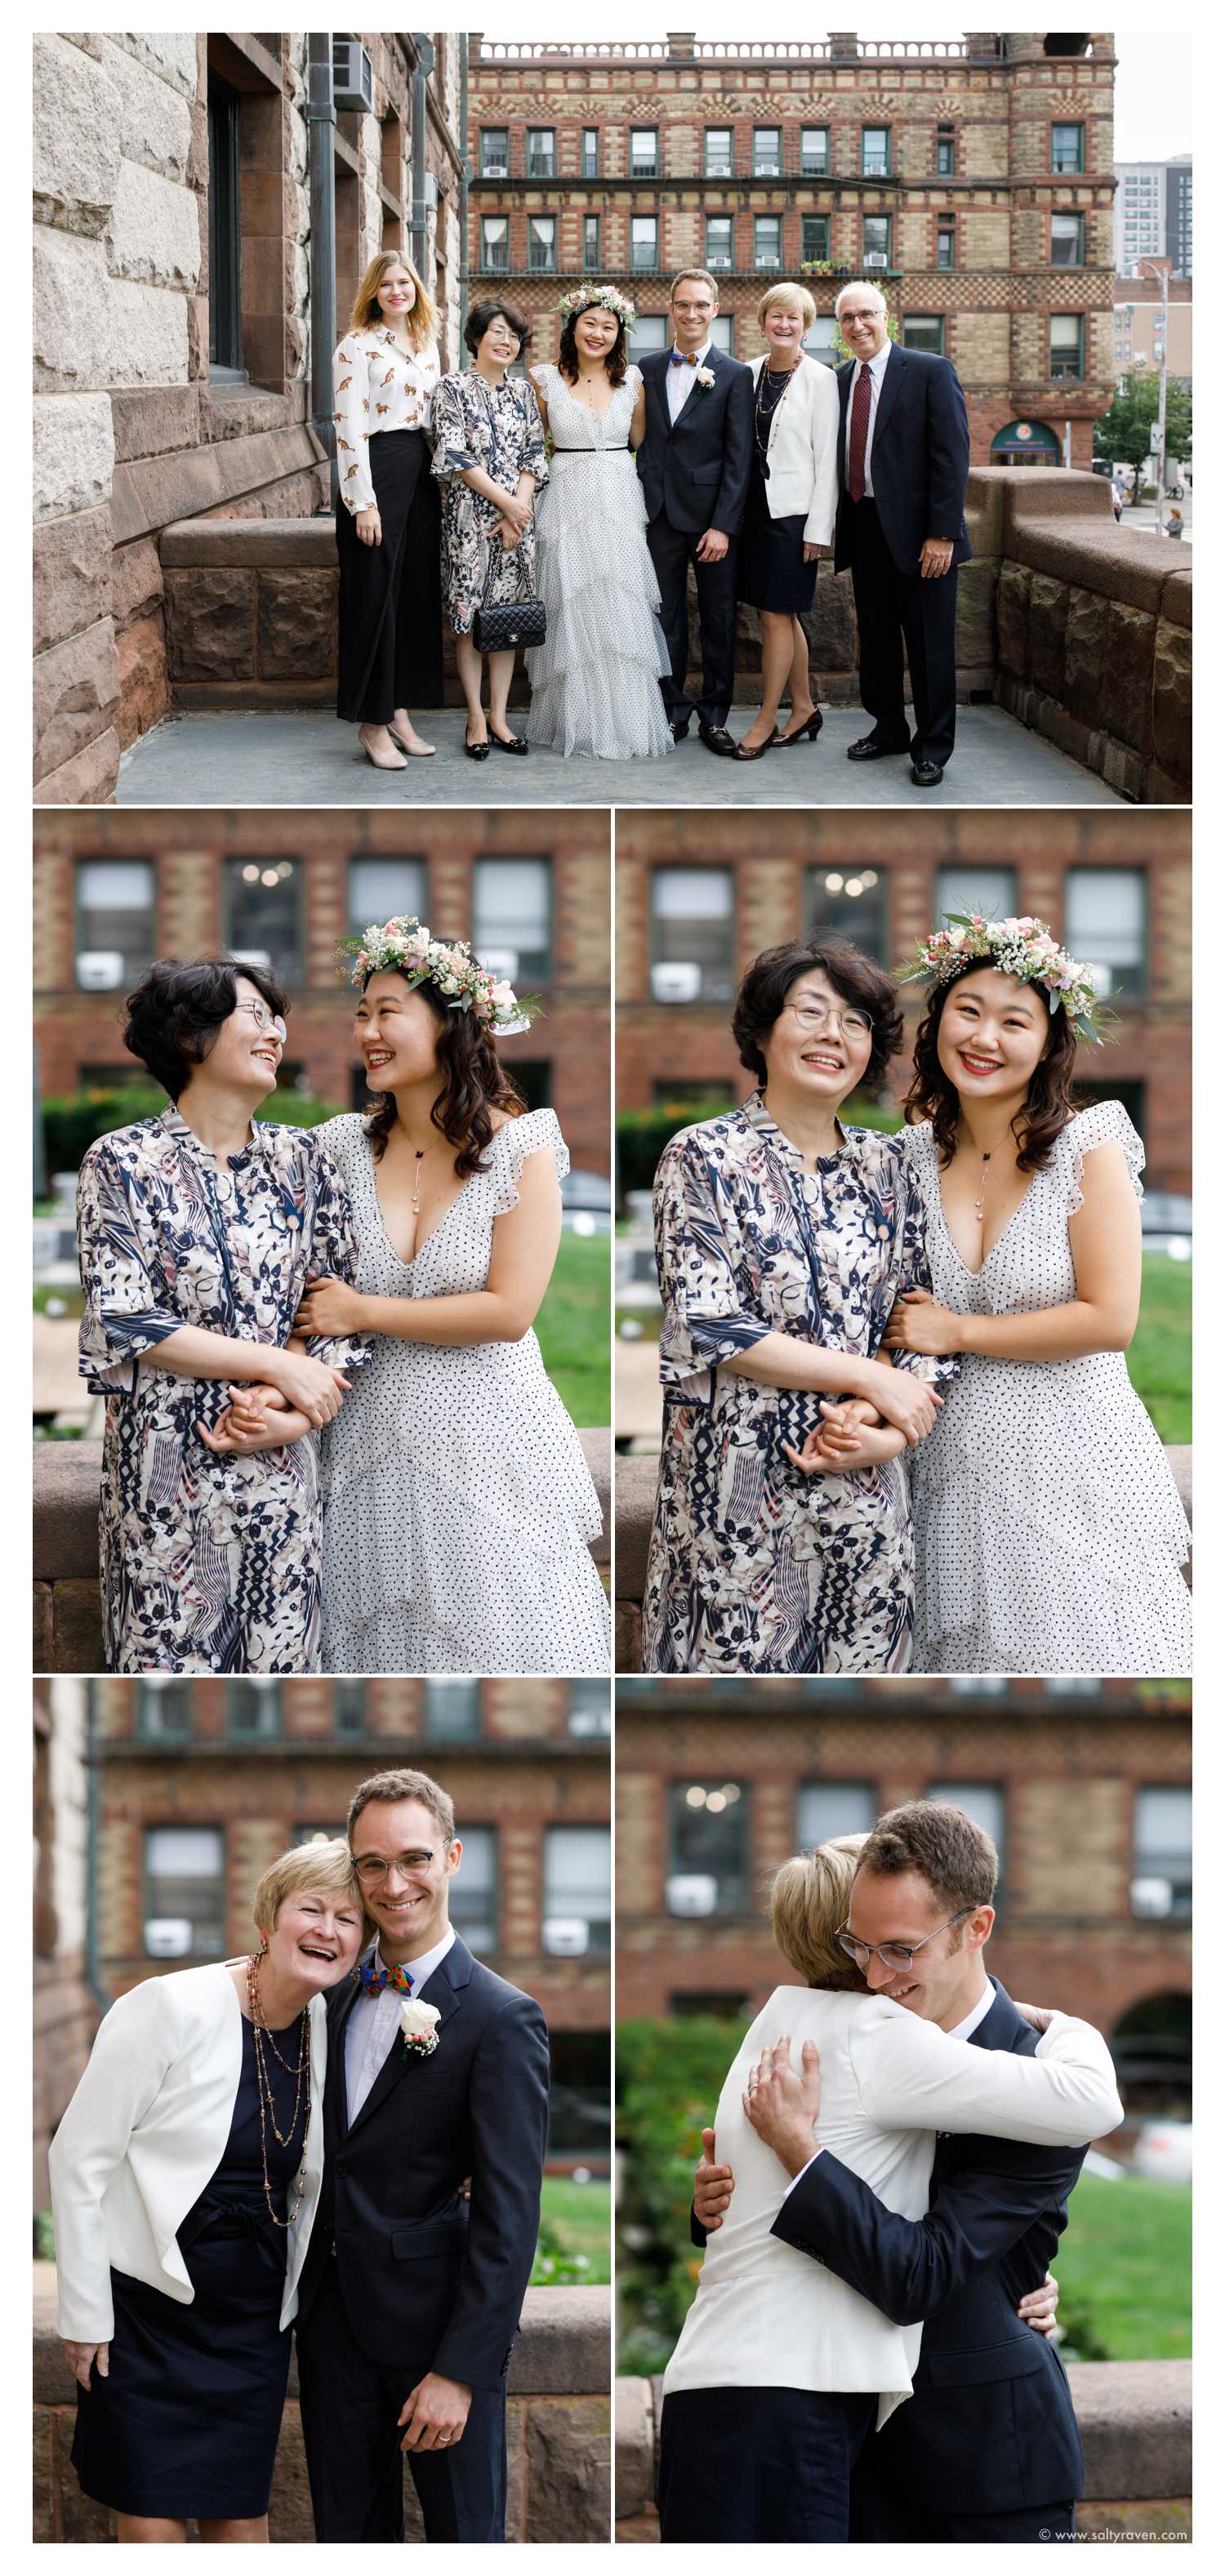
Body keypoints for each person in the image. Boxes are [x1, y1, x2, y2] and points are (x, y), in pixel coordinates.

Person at [663, 1807, 1122, 2543]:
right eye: (861, 1946)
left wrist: (800, 2158)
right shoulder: (844, 2034)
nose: (876, 1976)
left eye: (901, 1950)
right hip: (855, 2445)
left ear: (974, 1930)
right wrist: (722, 2195)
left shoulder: (1042, 2079)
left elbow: (934, 2264)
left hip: (983, 2459)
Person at [223, 916, 609, 1675]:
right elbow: (303, 1287)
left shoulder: (520, 1150)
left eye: (388, 1010)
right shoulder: (335, 1145)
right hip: (365, 1436)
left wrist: (363, 1310)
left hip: (487, 1434)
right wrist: (281, 1389)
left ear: (449, 1023)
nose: (367, 1029)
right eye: (361, 1012)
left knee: (500, 1638)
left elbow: (509, 1311)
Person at [874, 913, 1192, 1674]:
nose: (985, 1038)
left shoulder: (1090, 1145)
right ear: (938, 1020)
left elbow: (1110, 1319)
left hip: (1073, 1453)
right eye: (969, 1011)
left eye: (1015, 1021)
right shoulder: (904, 1158)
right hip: (946, 1456)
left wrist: (955, 1331)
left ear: (1048, 1042)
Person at [639, 938, 956, 1676]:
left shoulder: (894, 1166)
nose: (831, 1036)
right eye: (810, 1012)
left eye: (853, 1023)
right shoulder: (701, 1156)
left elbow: (922, 1315)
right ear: (762, 1031)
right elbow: (711, 1322)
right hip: (735, 1494)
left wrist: (885, 1427)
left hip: (867, 1492)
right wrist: (869, 1379)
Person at [51, 1839, 365, 2543]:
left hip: (252, 2316)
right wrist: (83, 2312)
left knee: (240, 2515)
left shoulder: (326, 2021)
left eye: (348, 1920)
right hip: (144, 2307)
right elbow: (77, 2159)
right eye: (310, 1909)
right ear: (267, 1919)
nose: (328, 1930)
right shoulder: (168, 2005)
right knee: (150, 2511)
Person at [75, 957, 370, 1675]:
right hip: (165, 1485)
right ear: (190, 1037)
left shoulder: (304, 1162)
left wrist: (291, 1409)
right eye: (255, 1015)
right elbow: (127, 1320)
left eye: (278, 1018)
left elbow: (334, 1308)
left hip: (282, 1475)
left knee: (284, 1670)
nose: (276, 1032)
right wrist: (275, 1364)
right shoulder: (119, 1163)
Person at [294, 1768, 550, 2543]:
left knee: (464, 2538)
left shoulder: (504, 2019)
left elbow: (511, 2217)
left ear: (454, 1858)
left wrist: (460, 2372)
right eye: (372, 1863)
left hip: (440, 2344)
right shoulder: (328, 1996)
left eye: (413, 1859)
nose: (393, 1882)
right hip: (332, 2334)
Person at [832, 279, 971, 788]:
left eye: (866, 314)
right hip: (864, 524)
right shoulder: (842, 378)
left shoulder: (930, 371)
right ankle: (888, 727)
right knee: (877, 639)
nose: (857, 325)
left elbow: (952, 458)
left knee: (931, 644)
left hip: (922, 535)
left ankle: (932, 747)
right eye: (847, 318)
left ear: (886, 316)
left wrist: (942, 534)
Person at [527, 284, 674, 760]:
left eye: (608, 327)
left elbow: (638, 440)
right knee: (571, 606)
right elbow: (534, 446)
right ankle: (577, 719)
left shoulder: (632, 381)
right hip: (566, 500)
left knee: (619, 607)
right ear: (573, 327)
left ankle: (628, 721)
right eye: (590, 323)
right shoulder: (544, 379)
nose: (598, 333)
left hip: (617, 499)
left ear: (619, 334)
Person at [635, 270, 754, 754]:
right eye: (683, 304)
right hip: (659, 515)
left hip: (711, 522)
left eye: (701, 305)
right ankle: (672, 710)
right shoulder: (647, 368)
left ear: (715, 309)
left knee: (719, 619)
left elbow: (738, 457)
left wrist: (723, 525)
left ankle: (715, 716)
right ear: (671, 308)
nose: (691, 313)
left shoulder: (735, 374)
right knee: (663, 620)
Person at [334, 251, 443, 770]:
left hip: (419, 472)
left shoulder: (425, 344)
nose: (397, 291)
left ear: (416, 289)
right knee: (375, 595)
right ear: (374, 294)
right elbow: (348, 425)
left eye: (404, 283)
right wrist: (363, 504)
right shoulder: (357, 345)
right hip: (377, 470)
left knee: (409, 597)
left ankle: (398, 712)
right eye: (386, 285)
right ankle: (371, 726)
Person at [431, 298, 549, 760]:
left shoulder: (523, 394)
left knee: (508, 619)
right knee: (471, 617)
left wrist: (519, 510)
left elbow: (535, 453)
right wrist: (506, 505)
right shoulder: (452, 387)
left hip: (518, 521)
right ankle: (475, 715)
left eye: (514, 336)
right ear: (477, 337)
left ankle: (500, 716)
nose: (507, 342)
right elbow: (455, 456)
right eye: (498, 332)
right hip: (469, 522)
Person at [734, 281, 840, 760]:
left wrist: (819, 531)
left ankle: (766, 715)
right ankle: (803, 706)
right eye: (776, 316)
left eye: (793, 318)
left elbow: (827, 461)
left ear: (805, 326)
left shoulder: (822, 380)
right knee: (778, 614)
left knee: (777, 616)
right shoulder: (748, 372)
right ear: (762, 322)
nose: (784, 324)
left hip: (794, 517)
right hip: (754, 513)